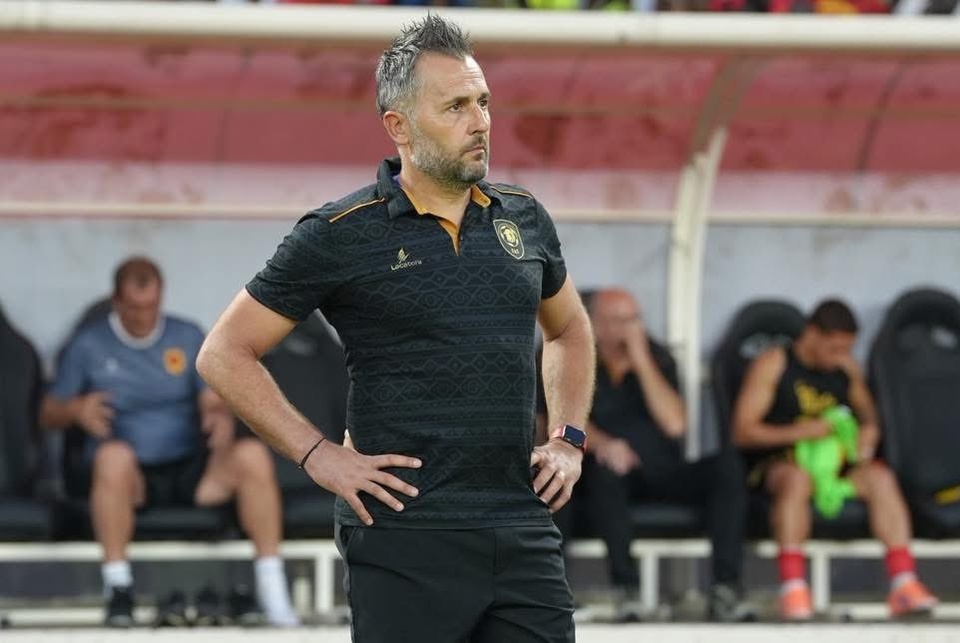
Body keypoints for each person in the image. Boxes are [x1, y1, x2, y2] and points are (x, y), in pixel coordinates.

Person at [196, 15, 595, 643]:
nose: (481, 121)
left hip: (522, 526)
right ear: (399, 126)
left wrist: (568, 438)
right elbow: (224, 352)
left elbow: (569, 329)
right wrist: (318, 455)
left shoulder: (524, 217)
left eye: (484, 101)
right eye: (456, 106)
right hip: (403, 535)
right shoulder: (339, 233)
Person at [41, 256, 299, 628]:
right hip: (131, 479)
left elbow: (212, 396)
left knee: (252, 455)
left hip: (191, 467)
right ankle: (119, 590)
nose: (144, 317)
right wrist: (76, 410)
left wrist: (217, 413)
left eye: (151, 307)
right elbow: (47, 413)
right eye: (134, 309)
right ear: (116, 302)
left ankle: (273, 591)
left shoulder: (187, 335)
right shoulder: (89, 345)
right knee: (113, 457)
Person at [552, 289, 753, 622]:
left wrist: (641, 360)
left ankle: (725, 588)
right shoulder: (570, 352)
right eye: (621, 320)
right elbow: (554, 416)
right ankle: (627, 589)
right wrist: (603, 444)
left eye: (636, 319)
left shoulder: (656, 356)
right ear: (595, 323)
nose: (632, 328)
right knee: (605, 473)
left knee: (727, 467)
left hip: (662, 468)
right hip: (606, 471)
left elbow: (675, 425)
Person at [733, 298, 938, 620]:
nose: (839, 356)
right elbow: (743, 432)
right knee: (796, 480)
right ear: (811, 334)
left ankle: (904, 583)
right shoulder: (774, 364)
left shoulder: (845, 368)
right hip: (782, 462)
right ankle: (794, 588)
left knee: (881, 478)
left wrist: (868, 432)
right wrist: (802, 432)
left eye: (846, 349)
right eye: (833, 348)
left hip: (836, 467)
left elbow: (868, 415)